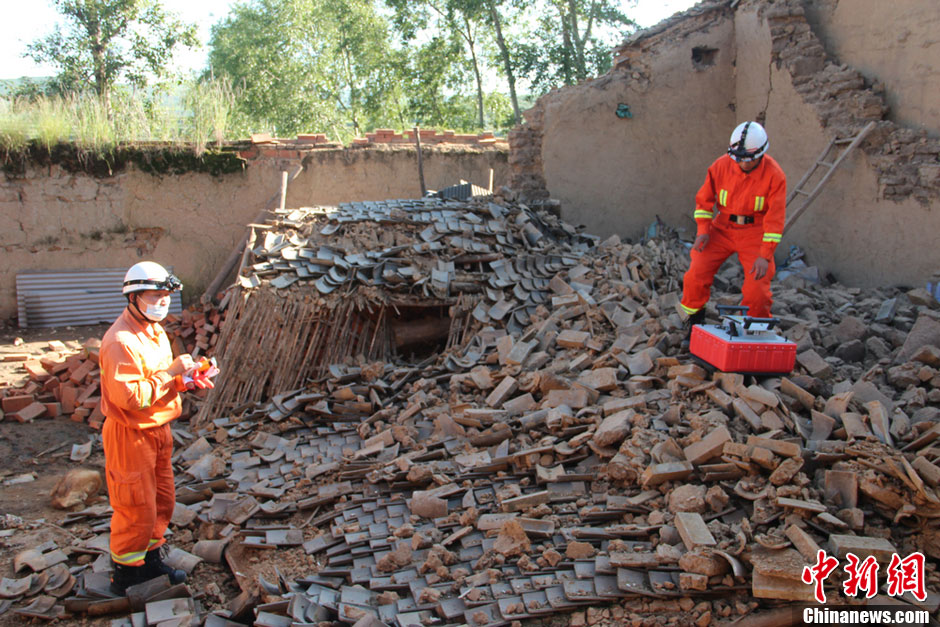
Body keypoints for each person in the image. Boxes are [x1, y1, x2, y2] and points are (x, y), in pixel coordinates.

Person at [100, 261, 193, 595]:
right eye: (155, 295)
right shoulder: (120, 341)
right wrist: (171, 374)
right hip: (131, 433)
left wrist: (185, 380)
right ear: (134, 297)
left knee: (160, 501)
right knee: (135, 505)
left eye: (166, 296)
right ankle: (126, 573)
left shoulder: (154, 332)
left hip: (157, 429)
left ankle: (149, 558)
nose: (162, 302)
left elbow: (157, 381)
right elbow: (129, 397)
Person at [680, 121, 787, 330]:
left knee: (758, 286)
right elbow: (704, 202)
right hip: (721, 229)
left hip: (754, 232)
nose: (744, 164)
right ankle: (692, 322)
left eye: (749, 159)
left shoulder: (775, 176)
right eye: (739, 159)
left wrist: (765, 255)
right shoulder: (720, 166)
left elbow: (775, 220)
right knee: (696, 272)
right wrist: (703, 231)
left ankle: (754, 328)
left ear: (761, 154)